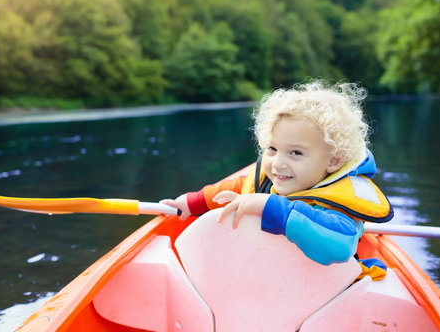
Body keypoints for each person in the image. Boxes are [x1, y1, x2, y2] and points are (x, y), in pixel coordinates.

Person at [161, 80, 393, 273]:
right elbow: (237, 188)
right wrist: (193, 202)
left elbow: (340, 246)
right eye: (272, 149)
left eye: (296, 152)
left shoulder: (339, 205)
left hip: (321, 297)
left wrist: (271, 207)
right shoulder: (269, 178)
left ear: (333, 160)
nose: (278, 163)